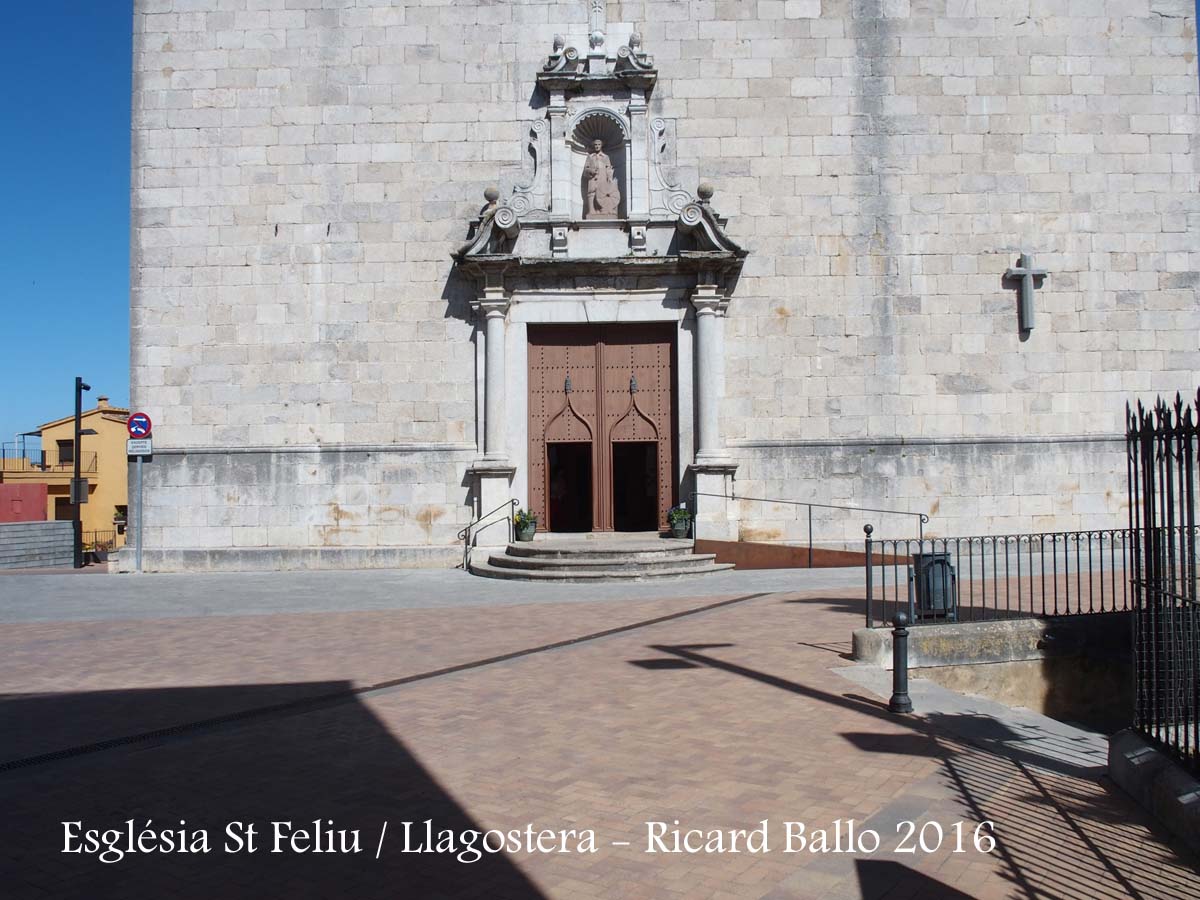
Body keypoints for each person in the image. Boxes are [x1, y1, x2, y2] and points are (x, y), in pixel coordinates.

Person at [583, 139, 619, 218]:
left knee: (602, 192)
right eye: (595, 145)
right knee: (591, 192)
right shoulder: (590, 157)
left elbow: (608, 169)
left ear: (601, 145)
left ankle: (603, 209)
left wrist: (609, 178)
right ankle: (591, 210)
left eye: (599, 144)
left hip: (602, 178)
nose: (597, 146)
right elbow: (586, 169)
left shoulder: (605, 157)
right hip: (593, 178)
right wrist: (591, 171)